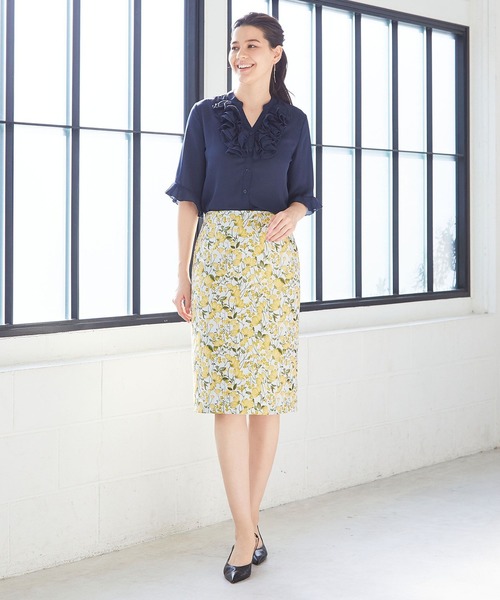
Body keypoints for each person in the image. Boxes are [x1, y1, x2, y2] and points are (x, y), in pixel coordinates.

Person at [167, 12, 320, 584]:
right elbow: (188, 197)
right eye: (235, 46)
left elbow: (305, 193)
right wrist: (183, 274)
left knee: (267, 400)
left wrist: (294, 213)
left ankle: (248, 526)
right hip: (217, 264)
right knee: (227, 401)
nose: (241, 54)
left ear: (275, 54)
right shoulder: (205, 115)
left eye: (252, 45)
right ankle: (244, 531)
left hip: (273, 268)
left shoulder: (295, 121)